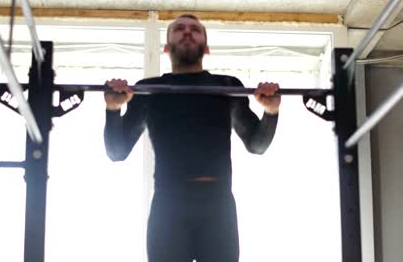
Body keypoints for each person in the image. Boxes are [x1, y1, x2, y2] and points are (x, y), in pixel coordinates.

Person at [103, 14, 281, 262]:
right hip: (169, 204)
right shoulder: (148, 90)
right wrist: (113, 109)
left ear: (206, 48)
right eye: (179, 29)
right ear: (166, 47)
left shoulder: (227, 86)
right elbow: (117, 152)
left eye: (195, 29)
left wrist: (271, 112)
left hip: (217, 204)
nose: (187, 32)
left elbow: (256, 145)